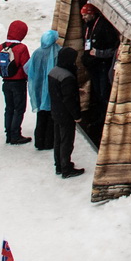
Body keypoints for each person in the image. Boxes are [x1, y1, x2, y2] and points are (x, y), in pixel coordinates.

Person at [78, 2, 120, 139]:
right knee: (97, 92)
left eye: (85, 15)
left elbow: (113, 49)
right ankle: (99, 117)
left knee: (103, 93)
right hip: (94, 66)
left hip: (103, 66)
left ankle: (104, 119)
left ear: (92, 14)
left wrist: (99, 53)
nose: (83, 18)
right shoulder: (88, 26)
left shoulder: (104, 27)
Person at [46, 46, 84, 178]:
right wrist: (77, 116)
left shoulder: (53, 72)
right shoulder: (68, 77)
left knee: (58, 140)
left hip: (56, 111)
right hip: (66, 114)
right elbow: (69, 99)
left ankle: (59, 166)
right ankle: (66, 168)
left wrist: (75, 90)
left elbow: (59, 91)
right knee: (67, 141)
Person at [0, 22, 32, 145]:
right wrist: (28, 78)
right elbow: (27, 66)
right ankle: (16, 134)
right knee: (19, 108)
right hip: (19, 83)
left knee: (9, 108)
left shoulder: (0, 47)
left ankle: (8, 134)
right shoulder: (22, 48)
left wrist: (4, 74)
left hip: (6, 82)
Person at [25, 28, 60, 150]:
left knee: (41, 115)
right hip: (52, 88)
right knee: (51, 116)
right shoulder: (57, 52)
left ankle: (39, 141)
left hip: (38, 88)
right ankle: (49, 141)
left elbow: (27, 68)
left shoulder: (37, 53)